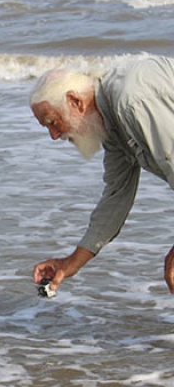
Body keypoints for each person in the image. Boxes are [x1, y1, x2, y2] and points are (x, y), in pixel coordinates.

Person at [29, 56, 174, 296]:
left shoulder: (131, 101)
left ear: (76, 101)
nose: (54, 136)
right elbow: (116, 197)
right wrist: (70, 263)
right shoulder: (112, 124)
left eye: (53, 123)